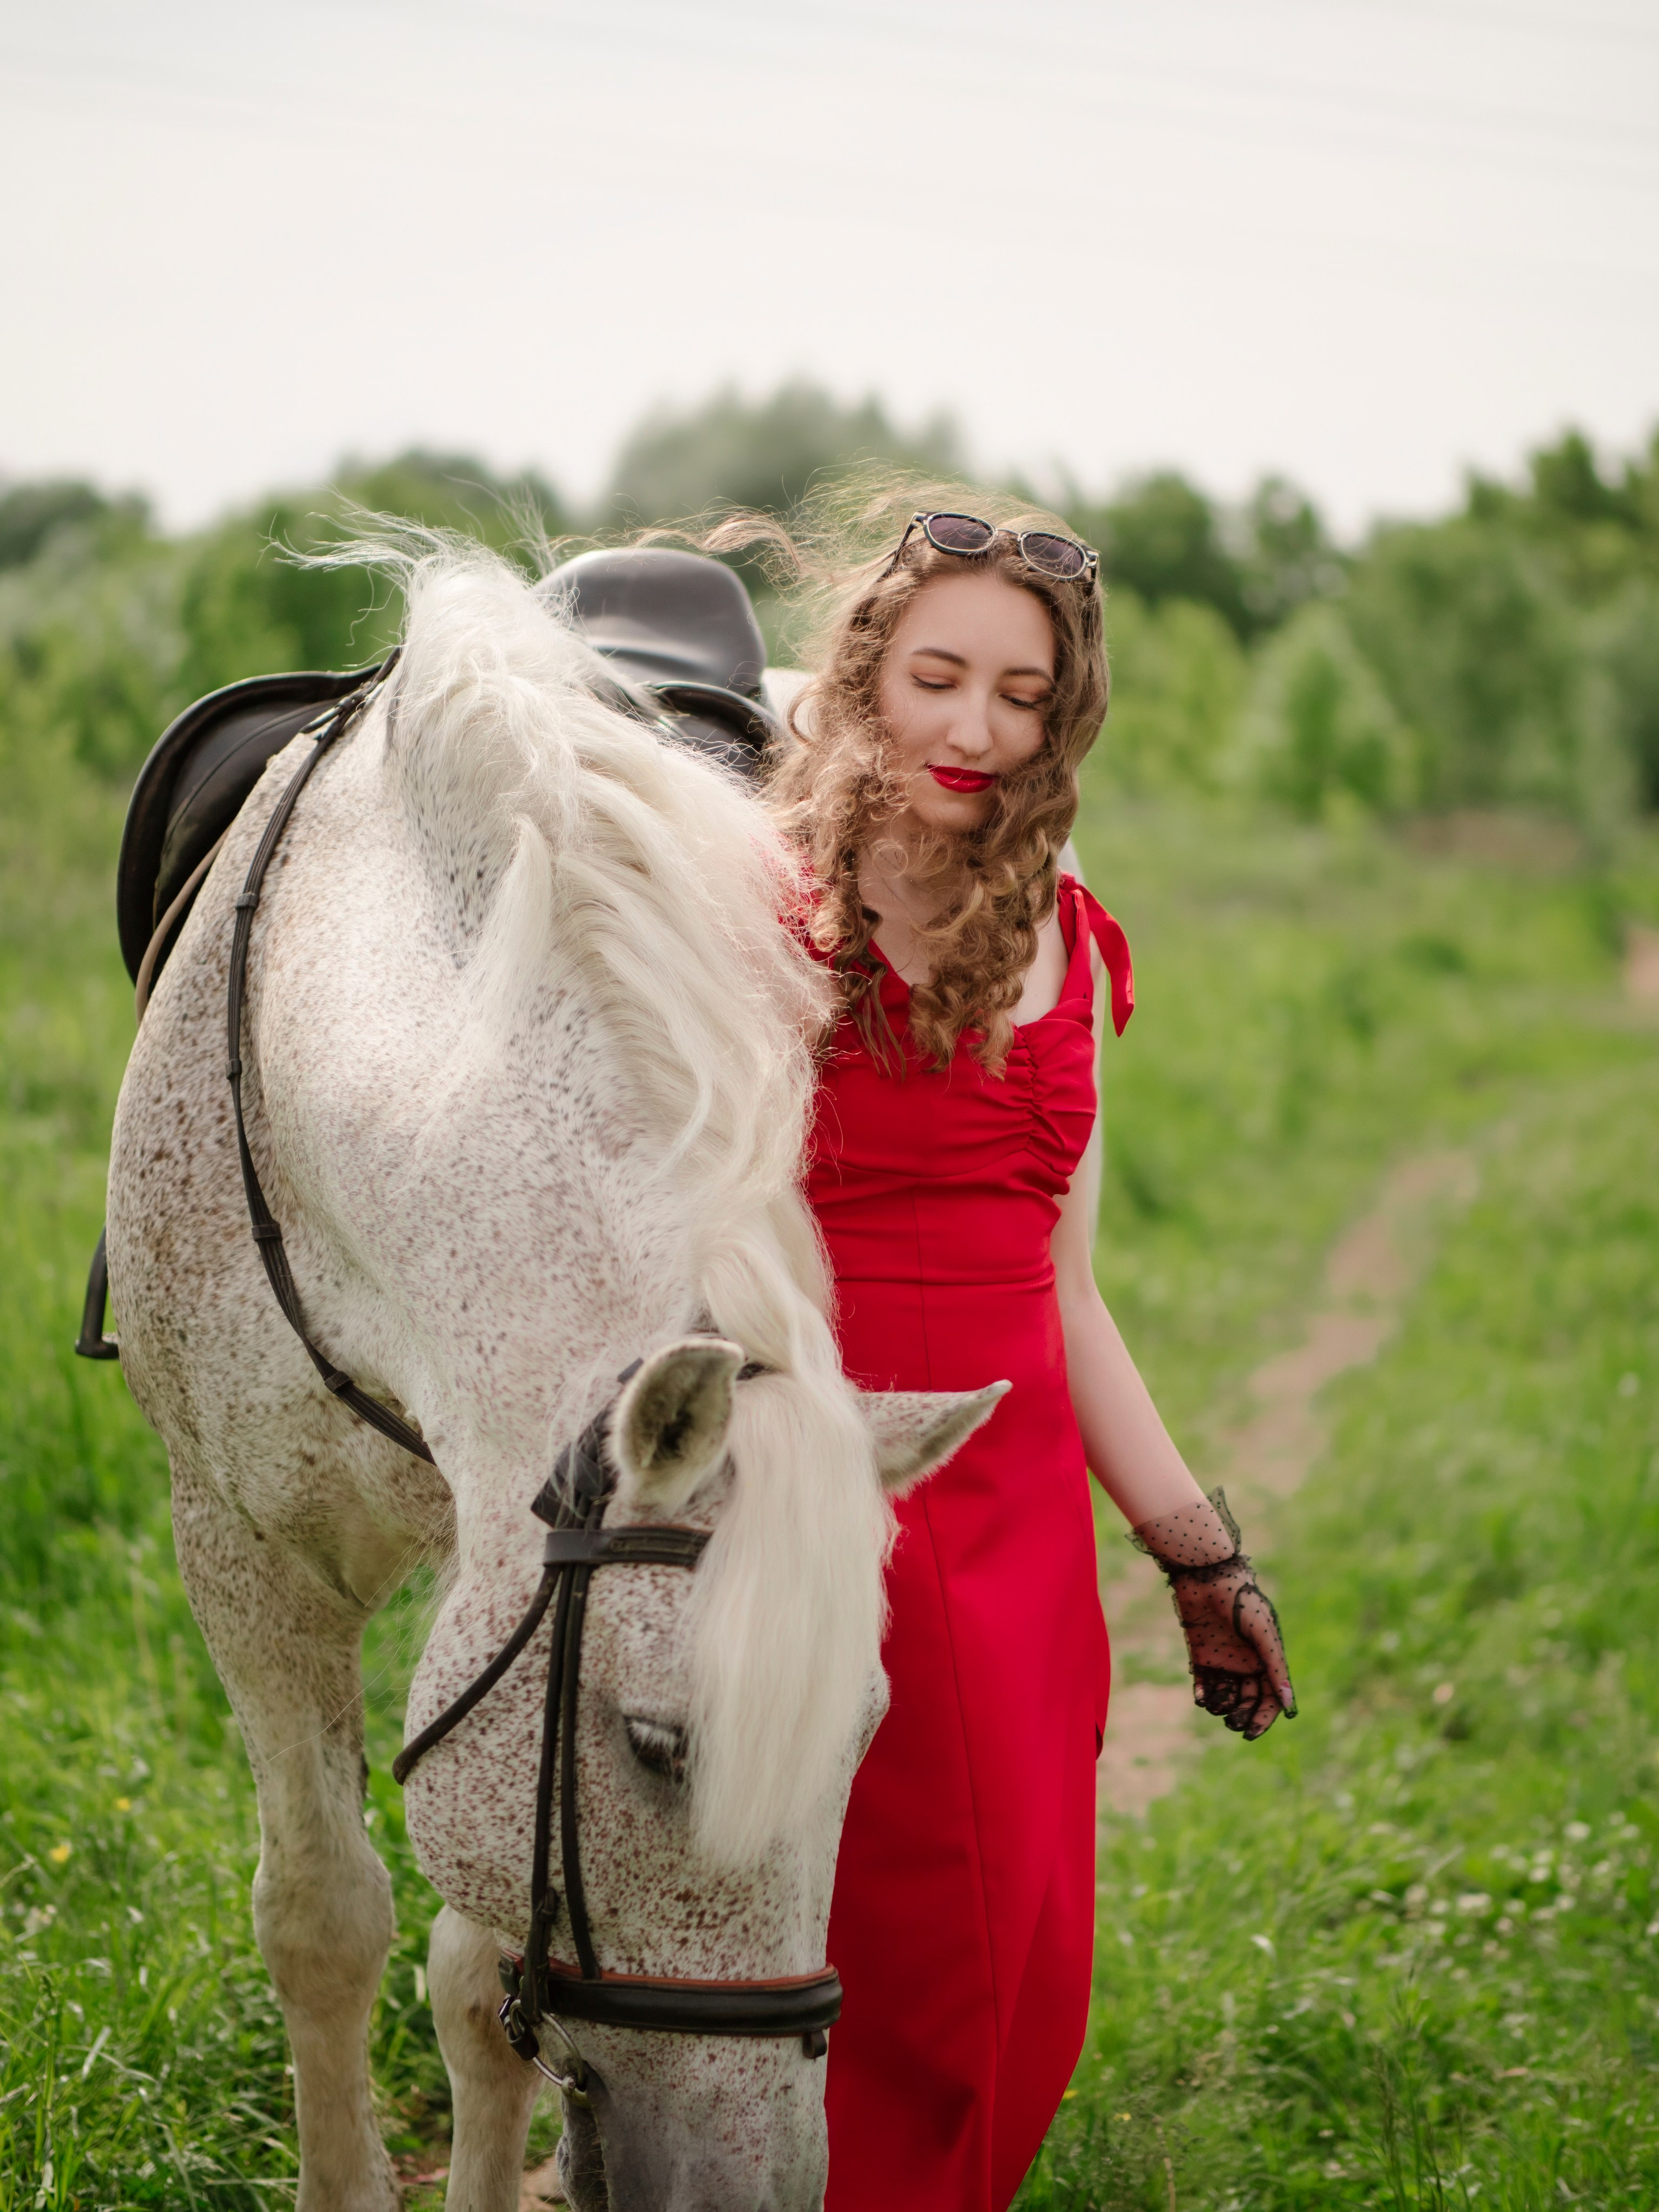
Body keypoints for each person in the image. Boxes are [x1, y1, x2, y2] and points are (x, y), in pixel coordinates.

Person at [761, 497, 1296, 2212]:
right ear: (865, 671)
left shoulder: (1068, 926)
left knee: (1017, 1968)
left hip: (1014, 1527)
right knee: (834, 1948)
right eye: (937, 678)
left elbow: (1066, 1289)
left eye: (1020, 695)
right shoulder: (750, 909)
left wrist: (1197, 1555)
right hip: (802, 1477)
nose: (976, 730)